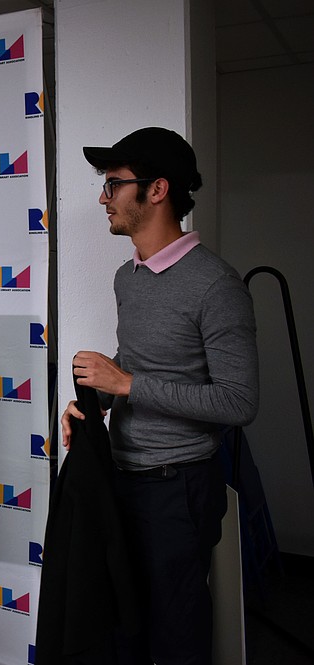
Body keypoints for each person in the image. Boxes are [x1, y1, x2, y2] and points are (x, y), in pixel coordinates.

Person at [60, 127, 259, 665]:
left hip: (178, 489)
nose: (104, 198)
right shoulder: (130, 277)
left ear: (156, 190)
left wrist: (126, 384)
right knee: (122, 626)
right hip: (120, 478)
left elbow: (239, 402)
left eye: (114, 184)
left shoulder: (217, 285)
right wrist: (97, 404)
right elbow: (146, 370)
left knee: (176, 635)